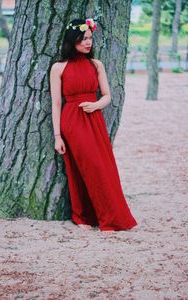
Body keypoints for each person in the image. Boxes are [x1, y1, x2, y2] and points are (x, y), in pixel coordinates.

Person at [50, 18, 138, 233]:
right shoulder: (58, 68)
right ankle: (82, 216)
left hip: (94, 118)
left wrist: (96, 104)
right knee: (86, 168)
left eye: (89, 38)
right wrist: (57, 136)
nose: (88, 43)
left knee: (103, 166)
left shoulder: (96, 64)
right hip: (72, 122)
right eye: (83, 39)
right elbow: (56, 103)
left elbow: (107, 95)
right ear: (72, 40)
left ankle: (109, 216)